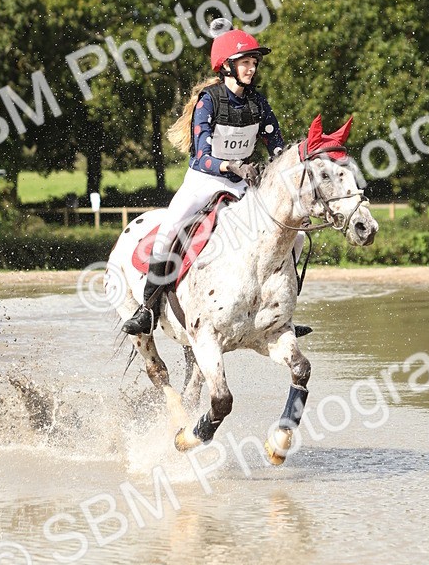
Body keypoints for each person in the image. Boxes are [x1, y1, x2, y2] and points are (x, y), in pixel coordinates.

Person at [122, 19, 309, 335]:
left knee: (297, 235)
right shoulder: (208, 100)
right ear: (227, 66)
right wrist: (234, 166)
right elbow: (202, 157)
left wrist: (276, 172)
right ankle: (148, 311)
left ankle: (280, 312)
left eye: (253, 63)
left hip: (241, 188)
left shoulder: (258, 103)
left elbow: (276, 146)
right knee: (168, 230)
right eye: (245, 62)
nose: (251, 69)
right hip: (204, 183)